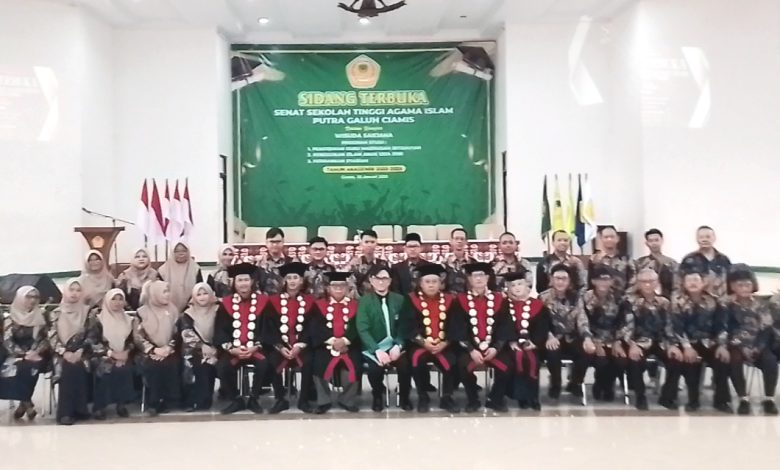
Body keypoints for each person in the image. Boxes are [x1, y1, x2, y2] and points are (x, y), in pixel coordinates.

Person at [663, 266, 731, 413]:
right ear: (683, 283)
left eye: (696, 280)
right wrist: (687, 347)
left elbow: (721, 325)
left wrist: (722, 345)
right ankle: (693, 400)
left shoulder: (714, 301)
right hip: (685, 341)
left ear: (703, 283)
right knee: (688, 361)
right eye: (689, 280)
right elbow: (676, 327)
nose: (693, 283)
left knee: (722, 360)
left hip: (709, 342)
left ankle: (721, 401)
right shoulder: (677, 301)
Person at [448, 262, 513, 412]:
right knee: (462, 365)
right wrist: (471, 349)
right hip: (470, 347)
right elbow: (458, 328)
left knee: (508, 365)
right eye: (474, 276)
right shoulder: (460, 301)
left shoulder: (500, 299)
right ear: (469, 279)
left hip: (493, 346)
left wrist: (496, 348)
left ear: (488, 278)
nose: (478, 279)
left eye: (482, 275)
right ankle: (473, 399)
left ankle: (495, 398)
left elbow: (505, 326)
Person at [398, 264, 460, 413]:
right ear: (420, 283)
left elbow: (455, 325)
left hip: (443, 344)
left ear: (440, 283)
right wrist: (422, 341)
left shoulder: (450, 300)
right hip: (420, 343)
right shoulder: (410, 299)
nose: (431, 285)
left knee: (452, 361)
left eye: (434, 281)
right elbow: (407, 325)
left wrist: (445, 342)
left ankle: (446, 397)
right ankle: (422, 396)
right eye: (427, 281)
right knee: (416, 360)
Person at [263, 262, 319, 414]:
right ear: (284, 281)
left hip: (302, 345)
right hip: (280, 345)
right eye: (289, 278)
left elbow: (312, 327)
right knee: (272, 360)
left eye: (296, 277)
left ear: (301, 281)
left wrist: (300, 345)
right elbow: (270, 327)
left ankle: (304, 400)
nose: (293, 281)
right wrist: (280, 347)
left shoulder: (310, 302)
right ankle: (280, 399)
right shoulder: (273, 302)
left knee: (309, 361)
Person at [215, 263, 270, 415]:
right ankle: (236, 399)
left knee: (265, 364)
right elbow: (220, 330)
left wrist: (256, 346)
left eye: (246, 280)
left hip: (256, 348)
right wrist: (232, 349)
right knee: (222, 367)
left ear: (252, 282)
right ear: (234, 283)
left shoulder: (263, 302)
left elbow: (266, 329)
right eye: (240, 280)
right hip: (233, 349)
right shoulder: (226, 304)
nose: (243, 284)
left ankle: (253, 398)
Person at [723, 264, 778, 415]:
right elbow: (724, 328)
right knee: (734, 360)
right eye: (740, 285)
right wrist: (741, 346)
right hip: (736, 345)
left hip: (757, 344)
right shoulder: (726, 305)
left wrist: (758, 347)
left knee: (770, 360)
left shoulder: (761, 304)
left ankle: (769, 399)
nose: (745, 288)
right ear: (733, 287)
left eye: (748, 285)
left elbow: (766, 329)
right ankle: (743, 399)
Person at [357, 264, 412, 412]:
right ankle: (377, 396)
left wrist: (398, 345)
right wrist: (376, 350)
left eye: (385, 278)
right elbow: (363, 328)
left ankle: (405, 396)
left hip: (395, 345)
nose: (381, 282)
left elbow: (404, 325)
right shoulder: (364, 301)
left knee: (405, 366)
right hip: (374, 346)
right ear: (371, 280)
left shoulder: (400, 299)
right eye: (377, 278)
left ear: (390, 281)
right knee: (375, 369)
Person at [539, 264, 596, 400]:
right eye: (557, 278)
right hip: (551, 336)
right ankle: (555, 384)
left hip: (571, 336)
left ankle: (575, 382)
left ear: (569, 281)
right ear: (551, 280)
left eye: (564, 278)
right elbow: (539, 322)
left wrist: (587, 338)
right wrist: (549, 335)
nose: (560, 282)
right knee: (552, 352)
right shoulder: (543, 297)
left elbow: (582, 319)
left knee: (587, 352)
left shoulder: (576, 297)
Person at [497, 270, 551, 410]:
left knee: (533, 360)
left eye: (520, 284)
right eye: (513, 285)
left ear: (527, 285)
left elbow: (543, 327)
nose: (517, 288)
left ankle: (533, 397)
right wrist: (511, 341)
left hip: (532, 343)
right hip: (510, 344)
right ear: (508, 288)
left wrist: (535, 342)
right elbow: (502, 325)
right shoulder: (503, 305)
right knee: (516, 358)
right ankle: (520, 397)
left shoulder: (538, 305)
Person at [617, 268, 671, 411]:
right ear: (638, 283)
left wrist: (672, 345)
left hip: (660, 341)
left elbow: (669, 326)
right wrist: (632, 344)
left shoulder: (664, 302)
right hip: (638, 341)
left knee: (675, 360)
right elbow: (626, 326)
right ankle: (640, 397)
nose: (647, 285)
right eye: (643, 282)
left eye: (651, 281)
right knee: (635, 360)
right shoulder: (629, 302)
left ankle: (667, 396)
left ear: (657, 283)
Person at [311, 271, 362, 413]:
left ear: (347, 288)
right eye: (335, 286)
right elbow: (315, 326)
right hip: (326, 344)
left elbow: (358, 326)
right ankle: (324, 401)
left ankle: (347, 400)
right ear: (328, 288)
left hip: (349, 345)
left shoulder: (356, 305)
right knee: (319, 364)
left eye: (342, 285)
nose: (339, 288)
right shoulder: (319, 305)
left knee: (354, 366)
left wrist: (345, 341)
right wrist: (332, 341)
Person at [0, 286, 49, 420]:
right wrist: (23, 355)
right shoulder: (10, 317)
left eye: (35, 297)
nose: (32, 300)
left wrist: (35, 352)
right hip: (14, 354)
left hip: (37, 354)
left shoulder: (42, 316)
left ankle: (24, 403)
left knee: (30, 368)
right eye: (28, 297)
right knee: (15, 368)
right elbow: (7, 340)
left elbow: (46, 339)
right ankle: (27, 403)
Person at [49, 279, 93, 425]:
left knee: (79, 365)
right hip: (60, 353)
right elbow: (52, 337)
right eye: (71, 290)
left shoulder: (87, 312)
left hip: (83, 352)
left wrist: (80, 350)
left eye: (78, 290)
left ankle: (80, 409)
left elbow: (92, 335)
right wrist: (64, 352)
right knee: (68, 367)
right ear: (65, 291)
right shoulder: (54, 313)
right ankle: (65, 413)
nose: (74, 293)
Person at [133, 280, 181, 416]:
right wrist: (153, 349)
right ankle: (154, 402)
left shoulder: (173, 310)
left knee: (172, 363)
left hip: (169, 350)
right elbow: (138, 337)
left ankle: (169, 400)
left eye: (168, 291)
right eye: (164, 292)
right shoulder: (142, 312)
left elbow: (178, 333)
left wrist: (168, 348)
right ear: (154, 293)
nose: (167, 294)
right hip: (147, 352)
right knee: (153, 366)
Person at [90, 289, 135, 419]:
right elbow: (93, 341)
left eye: (121, 299)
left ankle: (121, 404)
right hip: (101, 354)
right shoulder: (98, 320)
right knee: (106, 368)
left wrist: (125, 352)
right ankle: (99, 407)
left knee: (124, 369)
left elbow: (132, 341)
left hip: (123, 354)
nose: (117, 302)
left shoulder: (129, 320)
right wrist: (111, 354)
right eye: (114, 299)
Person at [582, 265, 623, 402]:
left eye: (607, 280)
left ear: (612, 281)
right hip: (592, 338)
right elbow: (583, 321)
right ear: (593, 281)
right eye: (600, 280)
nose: (603, 283)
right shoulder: (585, 297)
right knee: (601, 360)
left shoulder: (618, 297)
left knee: (619, 360)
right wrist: (595, 342)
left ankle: (608, 386)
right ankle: (600, 385)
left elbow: (624, 321)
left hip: (613, 338)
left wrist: (618, 341)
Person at [180, 282, 219, 411]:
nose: (202, 297)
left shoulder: (218, 310)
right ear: (194, 297)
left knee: (211, 364)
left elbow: (223, 330)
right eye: (199, 294)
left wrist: (214, 348)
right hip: (194, 349)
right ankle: (192, 401)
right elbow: (187, 333)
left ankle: (206, 400)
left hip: (217, 348)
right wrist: (202, 346)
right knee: (198, 364)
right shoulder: (188, 313)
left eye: (205, 293)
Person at [679, 226, 732, 298]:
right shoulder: (689, 259)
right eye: (701, 237)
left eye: (708, 237)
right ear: (697, 239)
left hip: (720, 300)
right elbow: (681, 282)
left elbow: (730, 282)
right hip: (697, 300)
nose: (704, 240)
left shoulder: (723, 259)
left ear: (714, 238)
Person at [587, 225, 635, 298]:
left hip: (622, 299)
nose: (609, 239)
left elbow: (632, 281)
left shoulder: (626, 259)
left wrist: (626, 297)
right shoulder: (594, 259)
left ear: (617, 238)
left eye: (612, 237)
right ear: (601, 239)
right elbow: (590, 282)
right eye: (606, 237)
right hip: (600, 299)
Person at [535, 230, 587, 294]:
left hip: (573, 297)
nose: (563, 243)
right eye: (559, 240)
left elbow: (583, 284)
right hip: (550, 297)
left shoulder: (576, 262)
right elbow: (540, 288)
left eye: (565, 240)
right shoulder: (544, 263)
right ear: (553, 243)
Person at [157, 241, 203, 313]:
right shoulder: (163, 270)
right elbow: (159, 292)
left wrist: (189, 306)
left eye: (184, 251)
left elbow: (199, 289)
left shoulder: (195, 268)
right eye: (177, 251)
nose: (181, 253)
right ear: (172, 253)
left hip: (191, 309)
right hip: (166, 309)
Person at [632, 229, 678, 299]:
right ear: (646, 243)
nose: (654, 243)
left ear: (662, 241)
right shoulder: (639, 263)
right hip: (644, 300)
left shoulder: (671, 263)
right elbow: (635, 285)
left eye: (656, 240)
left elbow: (676, 285)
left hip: (667, 299)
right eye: (651, 241)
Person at [255, 227, 297, 295]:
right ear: (266, 243)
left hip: (286, 299)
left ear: (283, 242)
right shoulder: (259, 263)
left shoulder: (292, 263)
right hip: (264, 300)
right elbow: (255, 285)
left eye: (278, 242)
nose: (275, 245)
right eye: (272, 242)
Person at [347, 229, 389, 296]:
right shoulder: (354, 264)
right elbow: (350, 285)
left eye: (372, 242)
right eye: (366, 242)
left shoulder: (383, 264)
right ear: (361, 244)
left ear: (376, 244)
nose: (369, 245)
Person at [442, 228, 477, 294]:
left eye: (462, 239)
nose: (459, 241)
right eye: (456, 238)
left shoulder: (474, 263)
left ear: (466, 242)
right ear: (451, 241)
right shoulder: (444, 263)